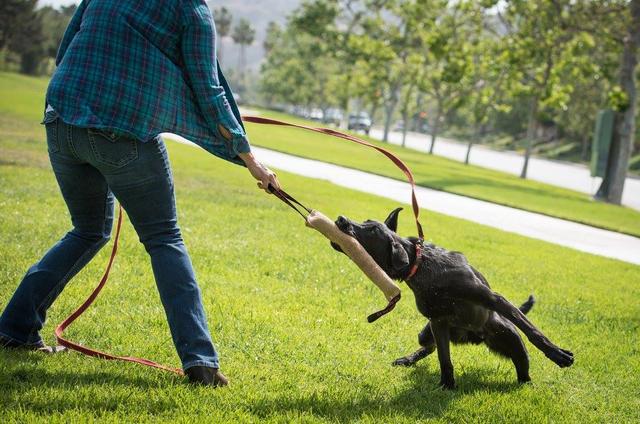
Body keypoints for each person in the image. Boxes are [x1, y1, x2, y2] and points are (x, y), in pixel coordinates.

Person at [0, 0, 280, 387]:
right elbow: (209, 90)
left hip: (61, 119)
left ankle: (14, 327)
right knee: (164, 238)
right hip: (121, 132)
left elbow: (68, 48)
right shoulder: (191, 11)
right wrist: (252, 162)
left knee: (88, 229)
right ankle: (200, 362)